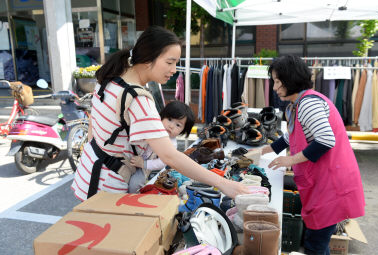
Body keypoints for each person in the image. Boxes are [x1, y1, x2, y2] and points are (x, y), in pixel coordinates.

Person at [71, 26, 249, 201]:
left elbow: (93, 125)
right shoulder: (138, 99)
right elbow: (170, 156)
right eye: (169, 62)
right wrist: (223, 183)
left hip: (88, 172)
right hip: (109, 188)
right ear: (148, 59)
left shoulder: (110, 76)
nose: (173, 70)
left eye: (176, 63)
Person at [262, 55, 365, 255]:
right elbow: (290, 135)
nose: (274, 88)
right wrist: (264, 150)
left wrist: (289, 159)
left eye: (277, 81)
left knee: (315, 244)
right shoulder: (297, 104)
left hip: (331, 185)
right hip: (322, 183)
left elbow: (326, 140)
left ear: (290, 79)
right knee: (316, 240)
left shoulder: (308, 104)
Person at [129, 100, 195, 181]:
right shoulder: (152, 127)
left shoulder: (172, 144)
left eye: (178, 125)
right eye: (169, 119)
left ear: (183, 130)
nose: (171, 126)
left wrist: (144, 164)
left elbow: (162, 162)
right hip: (131, 156)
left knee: (135, 183)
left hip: (145, 166)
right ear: (162, 116)